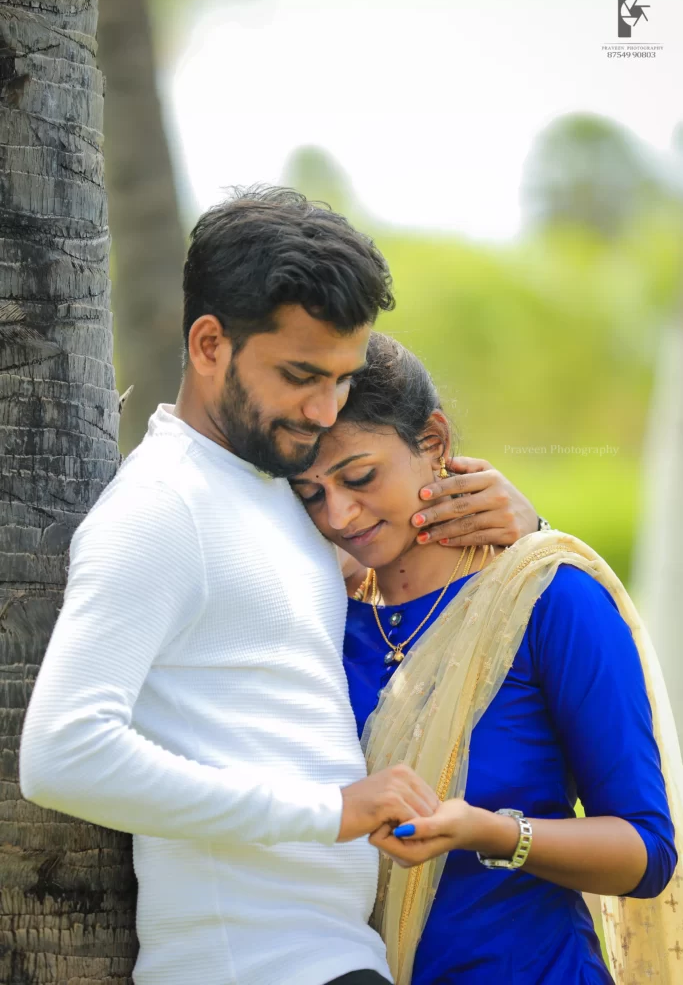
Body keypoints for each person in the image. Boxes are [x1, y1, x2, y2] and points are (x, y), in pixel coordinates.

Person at [19, 188, 541, 985]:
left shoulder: (279, 491)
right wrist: (331, 810)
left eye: (341, 379)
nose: (325, 410)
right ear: (208, 345)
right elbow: (63, 755)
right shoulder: (160, 506)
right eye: (300, 375)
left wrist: (524, 528)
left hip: (332, 958)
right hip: (252, 964)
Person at [290, 331, 681, 985]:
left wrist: (491, 833)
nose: (339, 513)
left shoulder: (547, 600)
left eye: (360, 477)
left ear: (434, 441)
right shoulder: (323, 619)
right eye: (310, 493)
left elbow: (645, 852)